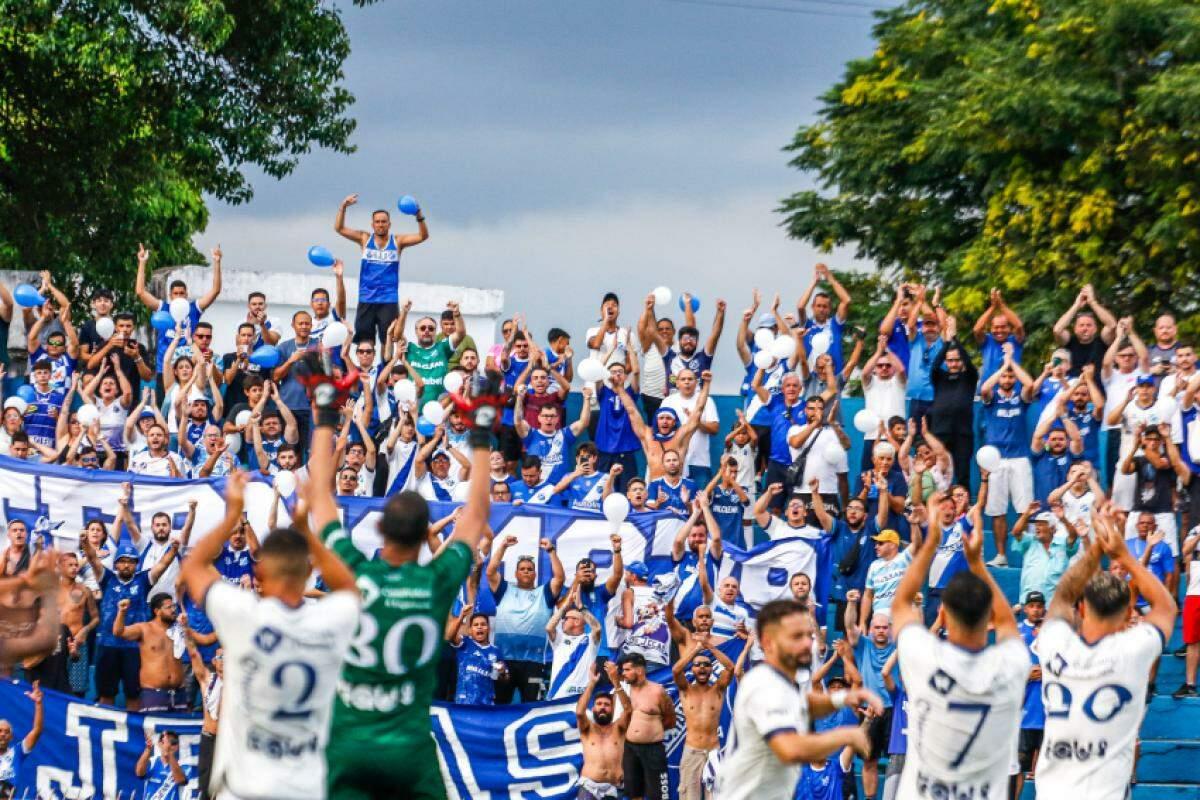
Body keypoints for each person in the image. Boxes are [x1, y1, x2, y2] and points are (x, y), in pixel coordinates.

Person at [180, 372, 362, 800]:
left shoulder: (245, 615)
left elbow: (192, 568)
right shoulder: (328, 620)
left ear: (258, 576)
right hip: (305, 788)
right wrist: (308, 530)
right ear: (308, 571)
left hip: (244, 789)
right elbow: (351, 588)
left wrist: (231, 516)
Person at [318, 373, 496, 799]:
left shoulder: (356, 575)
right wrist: (483, 430)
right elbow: (476, 512)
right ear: (424, 536)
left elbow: (322, 505)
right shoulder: (436, 580)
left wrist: (325, 417)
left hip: (350, 747)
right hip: (409, 751)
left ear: (379, 527)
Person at [890, 482, 1028, 800]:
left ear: (943, 615)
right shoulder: (1011, 665)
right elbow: (1009, 624)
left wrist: (931, 542)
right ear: (990, 620)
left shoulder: (922, 656)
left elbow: (900, 604)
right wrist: (979, 563)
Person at [1033, 508, 1177, 799]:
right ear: (1127, 613)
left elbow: (1062, 595)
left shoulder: (1054, 642)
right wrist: (1124, 554)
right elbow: (1166, 608)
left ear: (1082, 608)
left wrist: (1098, 546)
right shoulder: (1132, 650)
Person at [712, 599, 877, 800]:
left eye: (809, 635)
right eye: (796, 637)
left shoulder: (780, 682)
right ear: (768, 642)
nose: (808, 643)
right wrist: (847, 736)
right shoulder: (764, 684)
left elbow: (802, 704)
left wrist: (843, 698)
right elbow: (790, 748)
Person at [82, 536, 180, 709]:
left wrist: (173, 549)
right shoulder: (107, 579)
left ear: (137, 564)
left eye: (131, 561)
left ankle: (133, 734)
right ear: (116, 564)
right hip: (107, 644)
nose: (127, 565)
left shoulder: (143, 580)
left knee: (133, 695)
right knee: (106, 695)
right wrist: (85, 542)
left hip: (134, 648)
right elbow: (92, 559)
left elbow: (163, 565)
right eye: (123, 561)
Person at [335, 194, 430, 347]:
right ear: (372, 224)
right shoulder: (365, 238)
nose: (380, 225)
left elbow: (423, 236)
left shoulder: (398, 241)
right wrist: (343, 207)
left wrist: (418, 214)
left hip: (388, 299)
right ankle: (367, 370)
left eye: (384, 222)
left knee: (388, 340)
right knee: (365, 342)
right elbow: (339, 228)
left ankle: (386, 368)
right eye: (377, 222)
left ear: (389, 224)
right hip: (367, 298)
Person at [487, 535, 565, 703]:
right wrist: (503, 547)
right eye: (522, 568)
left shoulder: (544, 593)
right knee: (500, 705)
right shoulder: (504, 589)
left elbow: (559, 578)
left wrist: (551, 551)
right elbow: (490, 571)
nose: (526, 571)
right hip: (504, 659)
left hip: (534, 662)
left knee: (533, 708)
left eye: (530, 569)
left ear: (535, 574)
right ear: (516, 573)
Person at [979, 343, 1036, 565]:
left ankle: (1029, 554)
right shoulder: (991, 398)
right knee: (997, 509)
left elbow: (1030, 384)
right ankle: (1001, 555)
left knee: (1025, 508)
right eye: (1004, 376)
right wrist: (1003, 366)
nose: (1007, 379)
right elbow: (984, 388)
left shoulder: (1021, 398)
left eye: (1011, 376)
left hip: (1020, 457)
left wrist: (1012, 362)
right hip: (996, 459)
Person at [135, 243, 222, 388]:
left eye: (182, 293)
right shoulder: (164, 308)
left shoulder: (194, 308)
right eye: (176, 293)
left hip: (188, 367)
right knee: (166, 407)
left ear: (186, 294)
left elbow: (215, 291)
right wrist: (142, 263)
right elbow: (140, 292)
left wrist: (217, 262)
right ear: (170, 295)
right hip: (165, 368)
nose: (179, 296)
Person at [672, 640, 736, 800]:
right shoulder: (686, 690)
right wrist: (696, 650)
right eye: (698, 665)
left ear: (711, 669)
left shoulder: (718, 689)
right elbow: (676, 669)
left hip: (713, 752)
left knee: (715, 797)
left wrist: (711, 648)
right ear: (692, 669)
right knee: (689, 797)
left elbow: (730, 668)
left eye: (706, 665)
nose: (701, 667)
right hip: (692, 751)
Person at [113, 593, 187, 713]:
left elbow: (201, 640)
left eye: (174, 607)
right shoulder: (144, 629)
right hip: (153, 694)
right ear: (157, 611)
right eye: (169, 607)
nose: (173, 610)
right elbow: (118, 632)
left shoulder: (179, 629)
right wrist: (122, 612)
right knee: (154, 732)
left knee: (181, 731)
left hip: (179, 693)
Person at [619, 652, 676, 800]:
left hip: (653, 750)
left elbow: (671, 720)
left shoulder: (657, 691)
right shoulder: (624, 690)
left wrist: (650, 732)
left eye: (627, 669)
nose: (623, 673)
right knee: (633, 794)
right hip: (630, 748)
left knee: (658, 796)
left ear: (639, 670)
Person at [576, 661, 633, 800]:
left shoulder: (619, 728)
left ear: (612, 709)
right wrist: (591, 684)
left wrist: (616, 682)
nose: (602, 707)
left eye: (607, 705)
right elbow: (579, 712)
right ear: (593, 708)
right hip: (588, 788)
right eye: (599, 704)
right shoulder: (587, 729)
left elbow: (629, 710)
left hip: (614, 789)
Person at [545, 583, 603, 700]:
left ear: (577, 622)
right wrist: (565, 606)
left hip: (581, 697)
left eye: (566, 619)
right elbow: (549, 627)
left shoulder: (589, 640)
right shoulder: (560, 640)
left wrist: (581, 607)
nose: (562, 621)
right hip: (557, 696)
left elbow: (597, 628)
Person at [1015, 591, 1046, 799]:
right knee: (1017, 767)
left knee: (1048, 768)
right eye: (1032, 606)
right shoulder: (1017, 633)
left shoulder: (1053, 633)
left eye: (1039, 605)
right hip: (1023, 713)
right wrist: (1025, 675)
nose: (1036, 609)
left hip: (1048, 712)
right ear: (1025, 608)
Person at [448, 609, 505, 705]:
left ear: (488, 628)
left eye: (483, 624)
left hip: (486, 704)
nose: (480, 627)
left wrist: (502, 672)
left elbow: (505, 678)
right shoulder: (465, 643)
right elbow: (450, 636)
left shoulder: (495, 651)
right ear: (470, 630)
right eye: (476, 625)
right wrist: (461, 616)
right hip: (464, 702)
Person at [0, 681, 43, 797]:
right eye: (0, 731)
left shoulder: (17, 752)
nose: (3, 734)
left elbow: (37, 731)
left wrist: (38, 704)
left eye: (6, 732)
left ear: (11, 737)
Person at [1176, 527, 1200, 699]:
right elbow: (1185, 551)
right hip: (1194, 594)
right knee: (1192, 642)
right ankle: (1190, 685)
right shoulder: (1196, 531)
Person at [135, 730, 192, 800]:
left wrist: (169, 753)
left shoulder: (184, 765)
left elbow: (180, 780)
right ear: (159, 744)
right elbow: (139, 773)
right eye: (165, 742)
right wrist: (148, 748)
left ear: (177, 747)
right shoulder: (153, 761)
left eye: (173, 743)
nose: (169, 745)